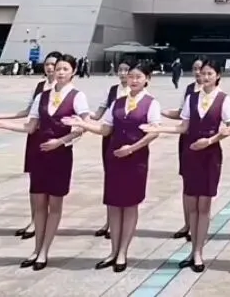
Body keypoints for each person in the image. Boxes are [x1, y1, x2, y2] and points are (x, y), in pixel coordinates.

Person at [0, 53, 89, 271]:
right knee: (39, 204)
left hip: (60, 156)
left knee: (54, 204)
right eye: (58, 68)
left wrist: (61, 141)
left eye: (65, 69)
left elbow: (84, 126)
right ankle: (36, 249)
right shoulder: (42, 97)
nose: (60, 72)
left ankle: (44, 251)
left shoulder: (77, 96)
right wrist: (1, 124)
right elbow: (30, 126)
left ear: (73, 71)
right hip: (40, 155)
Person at [63, 62, 161, 273]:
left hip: (135, 160)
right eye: (131, 76)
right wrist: (82, 124)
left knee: (130, 205)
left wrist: (132, 148)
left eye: (138, 77)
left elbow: (154, 132)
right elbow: (105, 129)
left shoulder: (151, 103)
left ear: (147, 79)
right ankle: (113, 251)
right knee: (114, 205)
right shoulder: (117, 102)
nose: (133, 80)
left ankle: (123, 252)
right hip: (115, 158)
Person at [142, 59, 230, 273]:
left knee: (204, 206)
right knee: (192, 204)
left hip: (210, 155)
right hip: (191, 153)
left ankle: (199, 252)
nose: (205, 77)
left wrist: (210, 140)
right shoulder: (192, 98)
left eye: (210, 73)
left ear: (218, 76)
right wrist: (159, 129)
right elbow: (183, 127)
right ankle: (193, 250)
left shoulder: (223, 99)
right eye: (203, 73)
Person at [0, 52, 59, 240]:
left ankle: (48, 220)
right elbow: (27, 112)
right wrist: (0, 117)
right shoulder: (40, 87)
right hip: (35, 136)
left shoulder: (64, 90)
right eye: (47, 64)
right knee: (35, 181)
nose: (50, 68)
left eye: (54, 65)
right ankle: (35, 220)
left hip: (53, 138)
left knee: (51, 181)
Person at [162, 59, 202, 242]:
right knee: (187, 183)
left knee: (201, 186)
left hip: (205, 141)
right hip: (187, 139)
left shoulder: (216, 94)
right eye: (195, 69)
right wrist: (160, 111)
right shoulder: (189, 90)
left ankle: (198, 225)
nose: (198, 72)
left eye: (201, 69)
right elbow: (181, 114)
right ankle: (187, 224)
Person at [92, 60, 131, 239]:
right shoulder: (112, 91)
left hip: (128, 141)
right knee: (110, 178)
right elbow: (97, 115)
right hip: (110, 138)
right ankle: (110, 221)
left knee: (126, 180)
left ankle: (123, 222)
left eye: (126, 70)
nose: (122, 73)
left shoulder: (136, 93)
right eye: (120, 70)